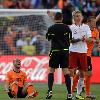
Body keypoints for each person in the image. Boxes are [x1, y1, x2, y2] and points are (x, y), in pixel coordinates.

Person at [46, 12, 72, 100]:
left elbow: (49, 38)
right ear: (62, 18)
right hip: (65, 51)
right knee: (66, 72)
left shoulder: (51, 28)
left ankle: (50, 90)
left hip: (55, 51)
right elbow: (70, 39)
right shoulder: (67, 27)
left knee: (51, 71)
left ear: (54, 19)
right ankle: (69, 94)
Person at [72, 16, 99, 99]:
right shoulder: (84, 29)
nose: (95, 23)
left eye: (95, 21)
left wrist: (97, 43)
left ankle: (74, 91)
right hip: (83, 53)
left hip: (88, 55)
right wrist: (92, 40)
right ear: (88, 22)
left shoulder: (96, 31)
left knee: (81, 73)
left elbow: (97, 40)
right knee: (86, 74)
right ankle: (86, 93)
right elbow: (84, 39)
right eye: (93, 22)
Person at [69, 10, 92, 100]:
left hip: (83, 52)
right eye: (76, 16)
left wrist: (85, 39)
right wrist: (79, 39)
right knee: (72, 72)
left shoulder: (86, 27)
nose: (78, 18)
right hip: (73, 51)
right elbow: (70, 40)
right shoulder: (71, 27)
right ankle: (69, 93)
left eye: (79, 16)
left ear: (82, 17)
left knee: (82, 73)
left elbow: (90, 39)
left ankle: (78, 94)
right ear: (74, 18)